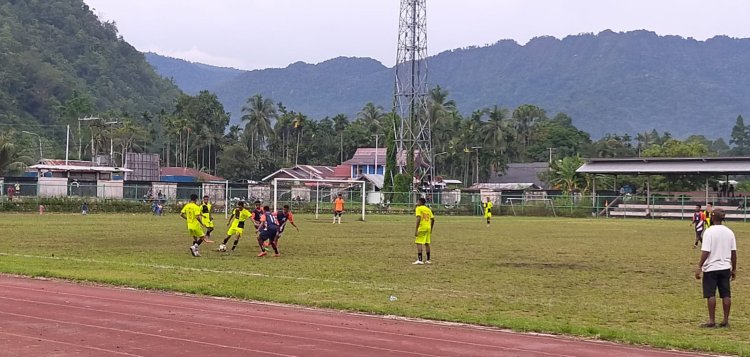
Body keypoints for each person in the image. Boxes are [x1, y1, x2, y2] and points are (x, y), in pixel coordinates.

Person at [695, 208, 737, 328]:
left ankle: (712, 321)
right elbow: (734, 253)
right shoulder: (729, 232)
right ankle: (725, 321)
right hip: (725, 267)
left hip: (711, 268)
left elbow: (706, 251)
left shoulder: (709, 232)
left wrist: (699, 266)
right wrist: (733, 269)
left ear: (712, 218)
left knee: (710, 294)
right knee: (726, 294)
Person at [413, 197, 435, 265]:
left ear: (420, 202)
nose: (417, 203)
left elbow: (418, 218)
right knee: (427, 243)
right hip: (428, 227)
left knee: (419, 242)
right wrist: (431, 228)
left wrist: (416, 229)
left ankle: (420, 260)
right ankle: (428, 260)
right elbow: (433, 219)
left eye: (418, 201)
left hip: (422, 227)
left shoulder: (418, 208)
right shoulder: (428, 209)